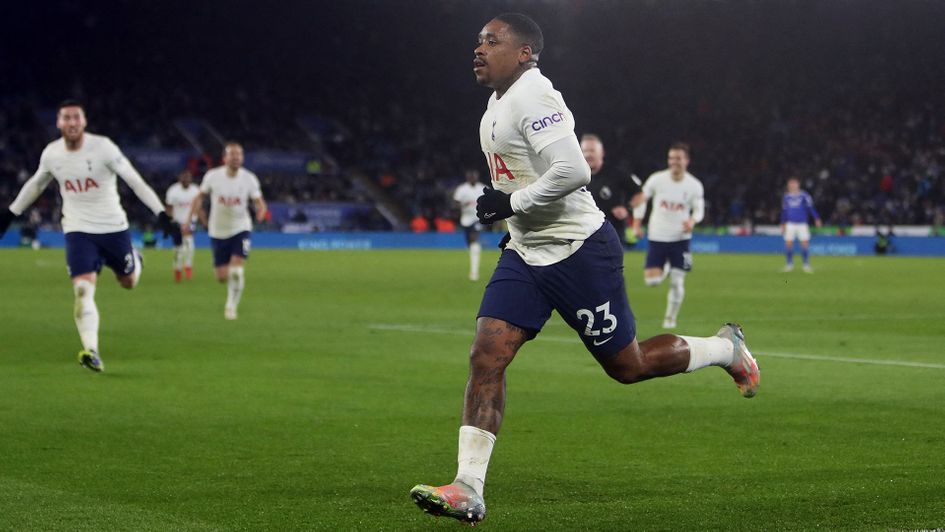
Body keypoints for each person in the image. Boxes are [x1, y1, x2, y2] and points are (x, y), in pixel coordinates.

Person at [409, 14, 760, 525]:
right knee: (487, 354)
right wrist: (515, 211)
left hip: (578, 252)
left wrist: (513, 201)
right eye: (477, 41)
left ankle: (726, 348)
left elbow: (573, 171)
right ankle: (468, 486)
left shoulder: (534, 96)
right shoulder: (497, 103)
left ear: (526, 52)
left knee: (629, 366)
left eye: (492, 41)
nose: (479, 49)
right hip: (525, 254)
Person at [0, 100, 179, 372]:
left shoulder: (103, 148)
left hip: (113, 227)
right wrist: (11, 214)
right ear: (58, 123)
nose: (71, 123)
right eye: (66, 118)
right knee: (83, 288)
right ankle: (91, 351)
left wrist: (161, 214)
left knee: (128, 281)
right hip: (78, 230)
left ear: (84, 122)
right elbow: (36, 184)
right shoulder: (52, 154)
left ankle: (136, 260)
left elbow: (134, 180)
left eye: (76, 118)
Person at [187, 142, 266, 320]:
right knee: (222, 277)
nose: (236, 157)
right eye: (232, 154)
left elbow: (259, 200)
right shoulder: (212, 176)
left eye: (239, 154)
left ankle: (231, 306)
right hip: (218, 230)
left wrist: (261, 210)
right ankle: (230, 292)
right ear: (225, 158)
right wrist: (190, 219)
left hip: (241, 227)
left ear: (242, 158)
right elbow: (199, 198)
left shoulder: (249, 178)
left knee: (237, 271)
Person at [632, 143, 705, 329]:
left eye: (678, 158)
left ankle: (670, 318)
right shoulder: (657, 179)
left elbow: (699, 210)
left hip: (681, 239)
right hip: (657, 236)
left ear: (686, 161)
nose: (674, 162)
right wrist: (637, 223)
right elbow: (642, 201)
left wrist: (692, 221)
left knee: (677, 281)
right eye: (671, 158)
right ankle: (664, 268)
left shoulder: (694, 185)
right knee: (652, 281)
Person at [582, 134, 643, 246]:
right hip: (585, 234)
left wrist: (627, 209)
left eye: (592, 150)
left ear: (602, 153)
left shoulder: (616, 173)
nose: (588, 154)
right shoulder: (577, 177)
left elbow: (639, 194)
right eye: (585, 151)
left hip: (612, 234)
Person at [165, 169, 205, 282]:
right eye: (184, 177)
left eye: (189, 177)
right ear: (180, 178)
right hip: (177, 221)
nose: (187, 180)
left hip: (190, 221)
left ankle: (188, 267)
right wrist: (169, 221)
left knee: (188, 242)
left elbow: (198, 207)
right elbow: (169, 208)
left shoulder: (195, 190)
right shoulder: (173, 191)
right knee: (178, 248)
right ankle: (177, 269)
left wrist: (203, 221)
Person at [780, 177, 822, 272]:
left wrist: (817, 218)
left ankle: (806, 265)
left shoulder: (804, 195)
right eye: (791, 184)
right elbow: (784, 211)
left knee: (804, 243)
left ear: (798, 185)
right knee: (788, 243)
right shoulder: (786, 197)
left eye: (794, 184)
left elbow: (811, 208)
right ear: (788, 186)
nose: (792, 186)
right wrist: (782, 223)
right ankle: (789, 264)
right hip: (790, 223)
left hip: (802, 224)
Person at [453, 169, 486, 280]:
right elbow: (455, 204)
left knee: (474, 241)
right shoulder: (462, 189)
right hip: (466, 220)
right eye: (470, 176)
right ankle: (473, 259)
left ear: (477, 177)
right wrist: (462, 205)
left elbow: (490, 201)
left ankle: (474, 272)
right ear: (467, 178)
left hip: (477, 219)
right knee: (470, 244)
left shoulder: (482, 188)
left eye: (474, 176)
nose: (472, 178)